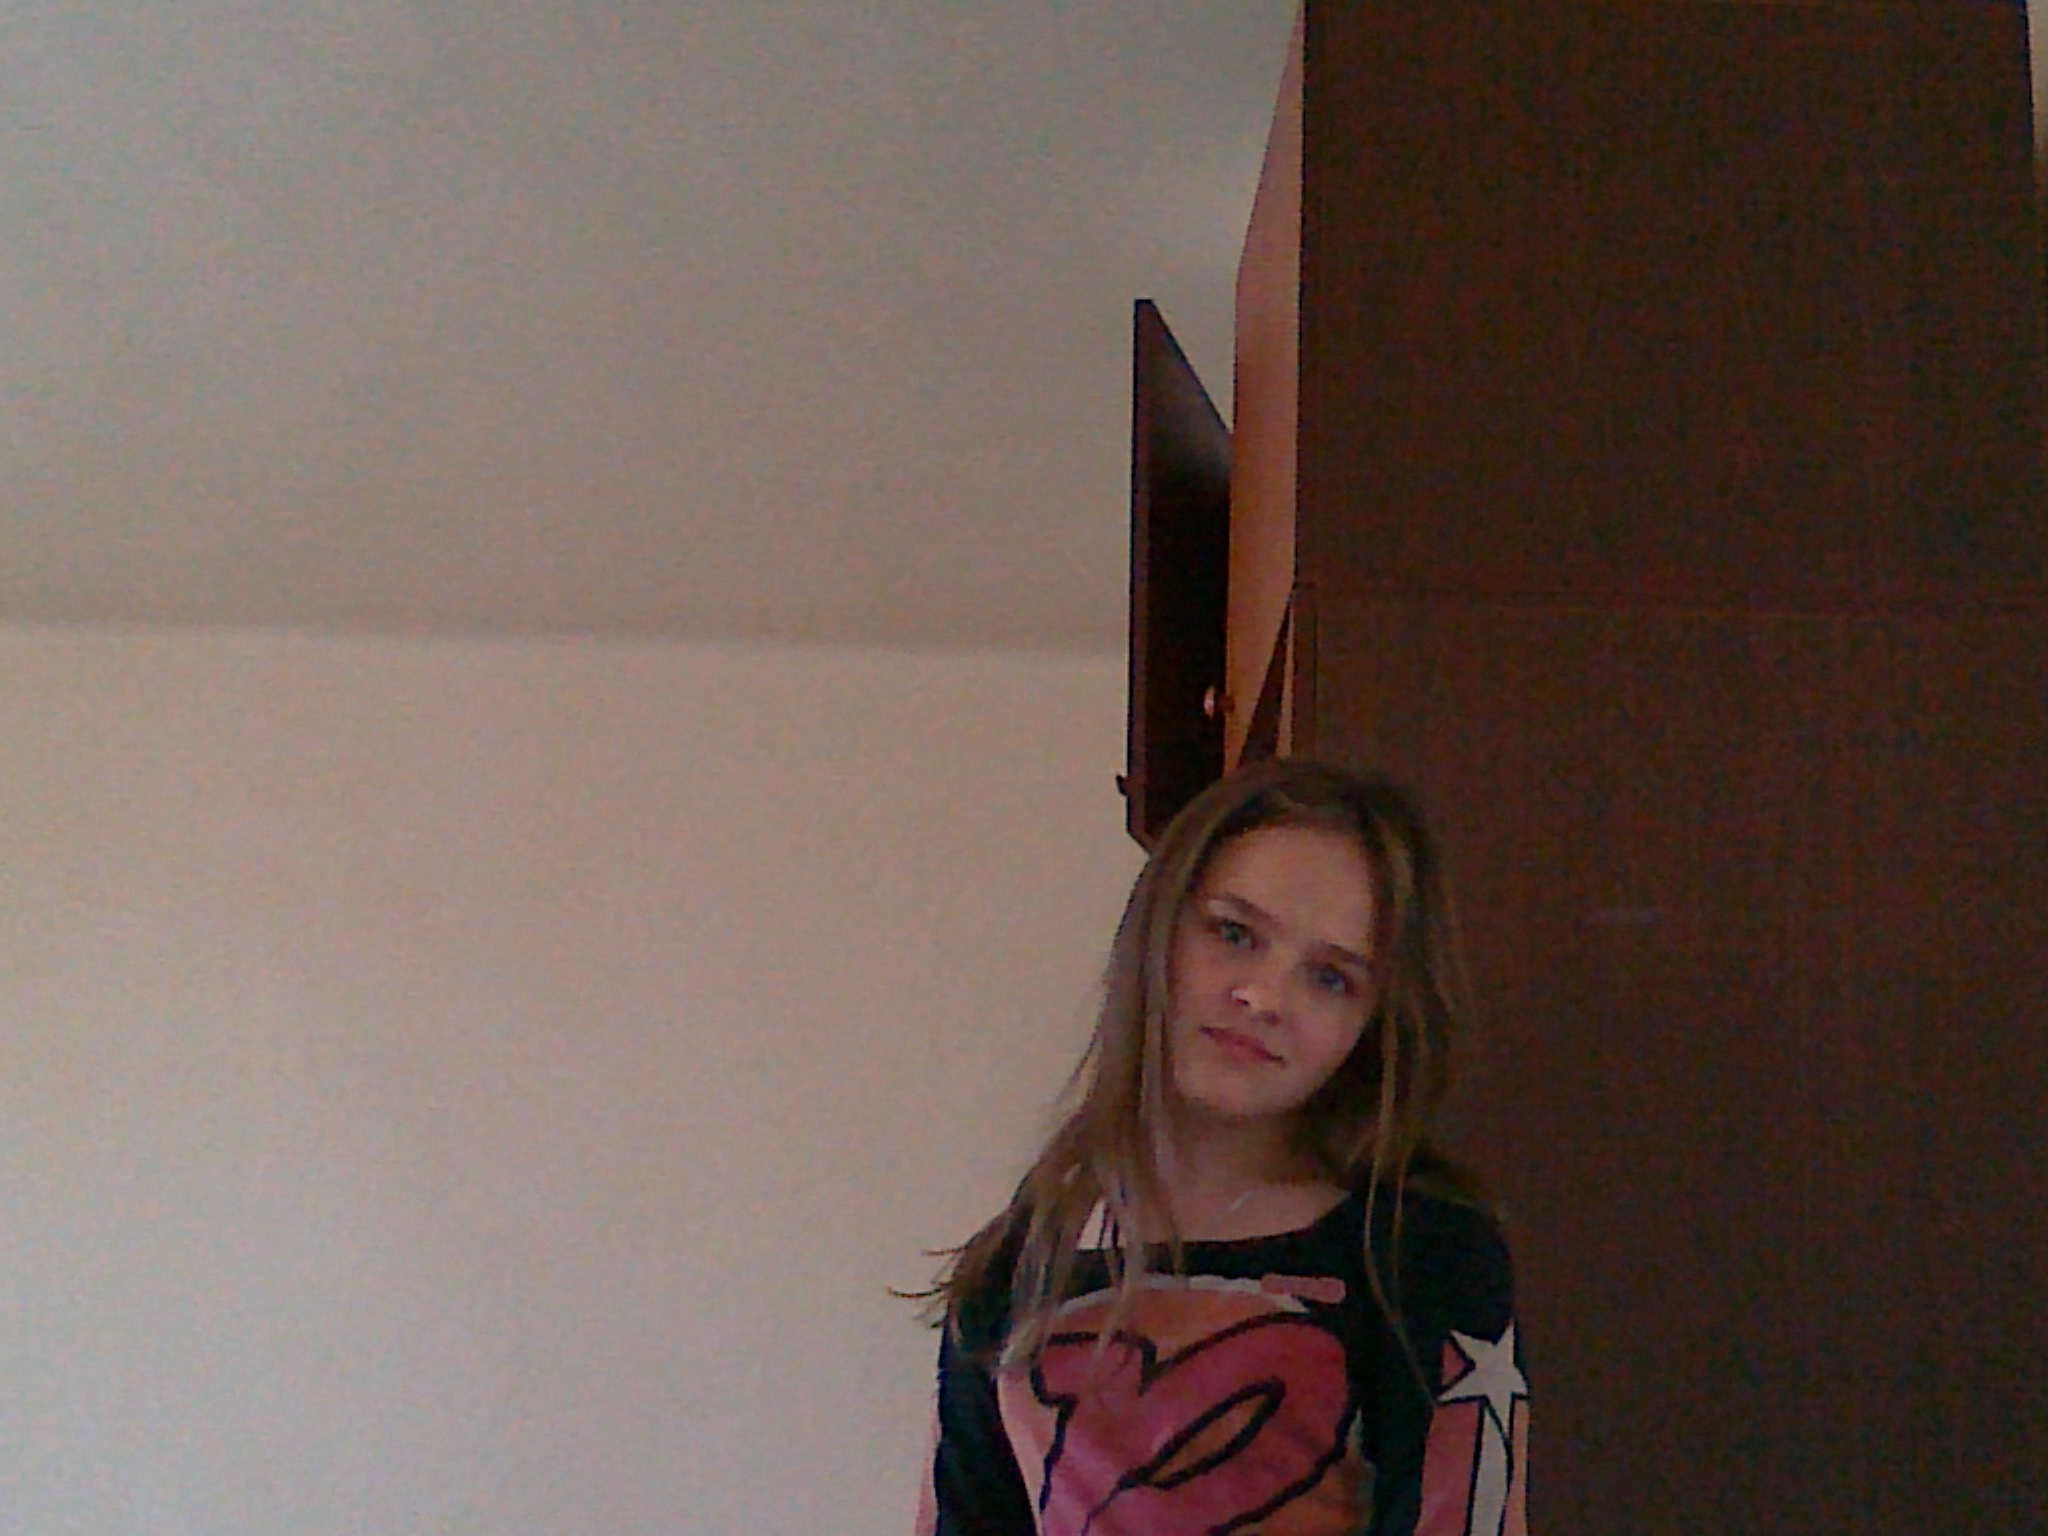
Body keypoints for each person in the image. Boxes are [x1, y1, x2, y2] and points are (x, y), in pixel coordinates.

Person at [913, 756, 1528, 1536]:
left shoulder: (1425, 1254)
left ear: (1375, 1022)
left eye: (1331, 977)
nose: (1264, 997)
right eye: (1234, 933)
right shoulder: (1018, 1263)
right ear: (1159, 931)